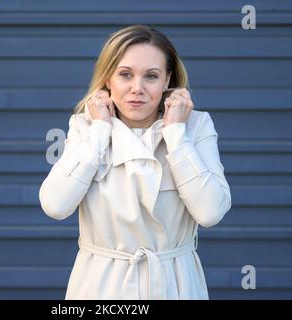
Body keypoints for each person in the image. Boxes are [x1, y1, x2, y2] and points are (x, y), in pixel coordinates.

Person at [39, 24, 232, 300]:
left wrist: (176, 135)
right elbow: (55, 205)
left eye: (151, 76)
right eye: (125, 74)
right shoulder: (85, 127)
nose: (137, 88)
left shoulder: (196, 126)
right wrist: (99, 132)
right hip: (101, 287)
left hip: (175, 284)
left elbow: (211, 211)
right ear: (108, 79)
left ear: (168, 81)